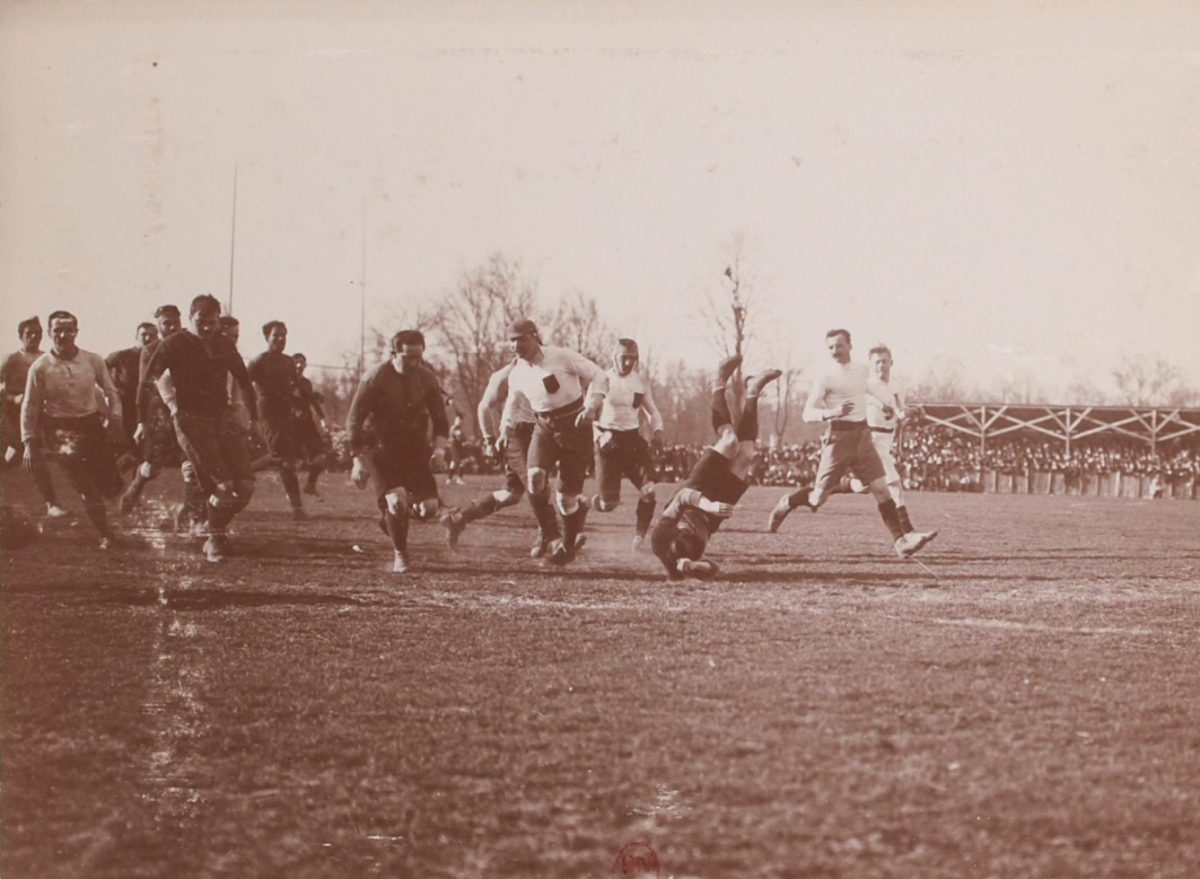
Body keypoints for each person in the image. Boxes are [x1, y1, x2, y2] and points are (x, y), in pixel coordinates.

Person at [767, 329, 936, 557]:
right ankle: (787, 502)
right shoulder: (826, 376)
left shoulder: (861, 372)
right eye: (831, 347)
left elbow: (875, 390)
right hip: (839, 439)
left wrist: (892, 408)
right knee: (818, 498)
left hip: (864, 438)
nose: (835, 351)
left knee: (881, 490)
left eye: (839, 346)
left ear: (850, 346)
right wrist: (832, 412)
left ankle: (901, 542)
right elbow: (808, 413)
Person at [140, 294, 258, 562]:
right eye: (200, 321)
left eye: (212, 322)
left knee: (247, 486)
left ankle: (211, 528)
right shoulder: (174, 344)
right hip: (191, 420)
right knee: (224, 486)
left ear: (218, 321)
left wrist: (254, 419)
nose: (207, 328)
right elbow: (150, 381)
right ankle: (214, 539)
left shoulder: (224, 344)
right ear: (190, 319)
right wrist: (153, 416)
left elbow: (244, 380)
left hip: (223, 418)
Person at [650, 355, 781, 580]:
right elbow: (713, 569)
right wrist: (696, 567)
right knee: (746, 455)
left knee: (729, 441)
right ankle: (753, 391)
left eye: (680, 561)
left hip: (697, 492)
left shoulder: (660, 540)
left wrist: (708, 505)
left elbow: (683, 497)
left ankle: (718, 382)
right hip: (715, 512)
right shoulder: (694, 554)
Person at [439, 359, 572, 556]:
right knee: (538, 481)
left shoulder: (546, 368)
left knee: (511, 495)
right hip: (518, 435)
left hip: (543, 431)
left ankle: (457, 518)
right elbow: (484, 407)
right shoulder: (504, 375)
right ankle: (551, 536)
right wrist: (489, 439)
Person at [346, 329, 449, 574]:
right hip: (379, 447)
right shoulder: (375, 377)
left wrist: (440, 451)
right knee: (397, 500)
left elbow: (441, 420)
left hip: (413, 448)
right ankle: (400, 554)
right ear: (394, 353)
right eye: (408, 358)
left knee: (428, 509)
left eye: (419, 357)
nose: (415, 363)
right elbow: (353, 420)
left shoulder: (426, 378)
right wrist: (357, 461)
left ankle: (390, 521)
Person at [20, 311, 124, 548]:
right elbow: (30, 404)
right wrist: (28, 441)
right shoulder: (40, 367)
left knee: (112, 485)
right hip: (58, 431)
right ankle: (106, 534)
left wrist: (115, 419)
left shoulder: (92, 360)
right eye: (57, 330)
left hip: (90, 425)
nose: (63, 335)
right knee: (85, 485)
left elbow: (111, 391)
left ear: (76, 332)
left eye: (68, 330)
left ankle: (110, 515)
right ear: (49, 333)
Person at [504, 318, 604, 565]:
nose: (516, 346)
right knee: (535, 478)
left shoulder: (561, 356)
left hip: (576, 426)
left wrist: (592, 405)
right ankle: (549, 534)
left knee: (565, 498)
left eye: (521, 339)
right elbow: (512, 402)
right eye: (511, 341)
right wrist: (503, 430)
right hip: (544, 427)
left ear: (535, 336)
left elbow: (599, 375)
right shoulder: (517, 372)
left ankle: (566, 548)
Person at [839, 344, 931, 537]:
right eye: (877, 362)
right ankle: (908, 532)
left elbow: (900, 411)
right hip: (871, 439)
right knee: (894, 484)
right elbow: (867, 405)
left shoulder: (896, 387)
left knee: (864, 487)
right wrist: (883, 406)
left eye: (885, 361)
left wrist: (913, 411)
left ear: (891, 362)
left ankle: (832, 487)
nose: (881, 365)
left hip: (886, 439)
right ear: (871, 365)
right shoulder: (866, 386)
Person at [588, 338, 665, 550]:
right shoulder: (601, 380)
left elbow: (653, 411)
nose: (629, 362)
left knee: (649, 491)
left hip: (632, 441)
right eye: (624, 358)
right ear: (614, 357)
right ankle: (595, 503)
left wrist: (658, 430)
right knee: (609, 505)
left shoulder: (640, 382)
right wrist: (601, 438)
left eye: (633, 358)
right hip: (607, 441)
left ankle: (639, 538)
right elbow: (587, 417)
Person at [122, 304, 184, 512]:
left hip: (188, 408)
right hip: (159, 412)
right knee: (152, 466)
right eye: (167, 323)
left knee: (193, 460)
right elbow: (143, 385)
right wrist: (141, 422)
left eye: (175, 322)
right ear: (159, 326)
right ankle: (135, 488)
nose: (172, 327)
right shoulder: (150, 350)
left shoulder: (189, 343)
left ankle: (193, 510)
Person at [2, 316, 66, 517]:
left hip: (36, 417)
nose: (34, 337)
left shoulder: (46, 358)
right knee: (29, 455)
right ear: (21, 336)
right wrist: (13, 398)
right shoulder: (12, 359)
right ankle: (51, 504)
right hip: (11, 416)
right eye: (29, 333)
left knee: (22, 458)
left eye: (37, 333)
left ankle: (51, 504)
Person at [248, 321, 307, 519]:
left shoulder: (288, 362)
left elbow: (294, 387)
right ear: (267, 337)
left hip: (285, 412)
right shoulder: (258, 361)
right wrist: (248, 413)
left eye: (283, 335)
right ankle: (243, 472)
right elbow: (244, 385)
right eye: (276, 335)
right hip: (268, 411)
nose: (280, 339)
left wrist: (301, 402)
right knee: (279, 456)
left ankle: (297, 508)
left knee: (287, 461)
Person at [106, 322, 159, 460]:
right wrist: (111, 388)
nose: (148, 338)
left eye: (152, 335)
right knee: (127, 447)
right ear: (136, 336)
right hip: (125, 405)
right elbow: (101, 368)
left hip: (146, 407)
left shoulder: (157, 357)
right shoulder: (122, 355)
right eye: (144, 335)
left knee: (142, 449)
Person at [291, 353, 330, 497]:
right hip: (291, 425)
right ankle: (293, 498)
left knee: (320, 456)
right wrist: (314, 395)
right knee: (291, 463)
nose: (299, 366)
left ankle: (310, 485)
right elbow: (301, 395)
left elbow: (311, 400)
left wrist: (322, 418)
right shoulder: (287, 381)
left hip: (307, 424)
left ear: (305, 365)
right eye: (296, 362)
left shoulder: (306, 383)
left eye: (302, 362)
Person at [445, 412, 468, 486]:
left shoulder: (455, 427)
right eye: (459, 420)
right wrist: (464, 441)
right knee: (461, 462)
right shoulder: (456, 428)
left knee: (453, 463)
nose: (460, 421)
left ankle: (449, 479)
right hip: (455, 446)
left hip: (455, 446)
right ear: (456, 420)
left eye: (460, 420)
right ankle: (459, 479)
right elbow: (459, 437)